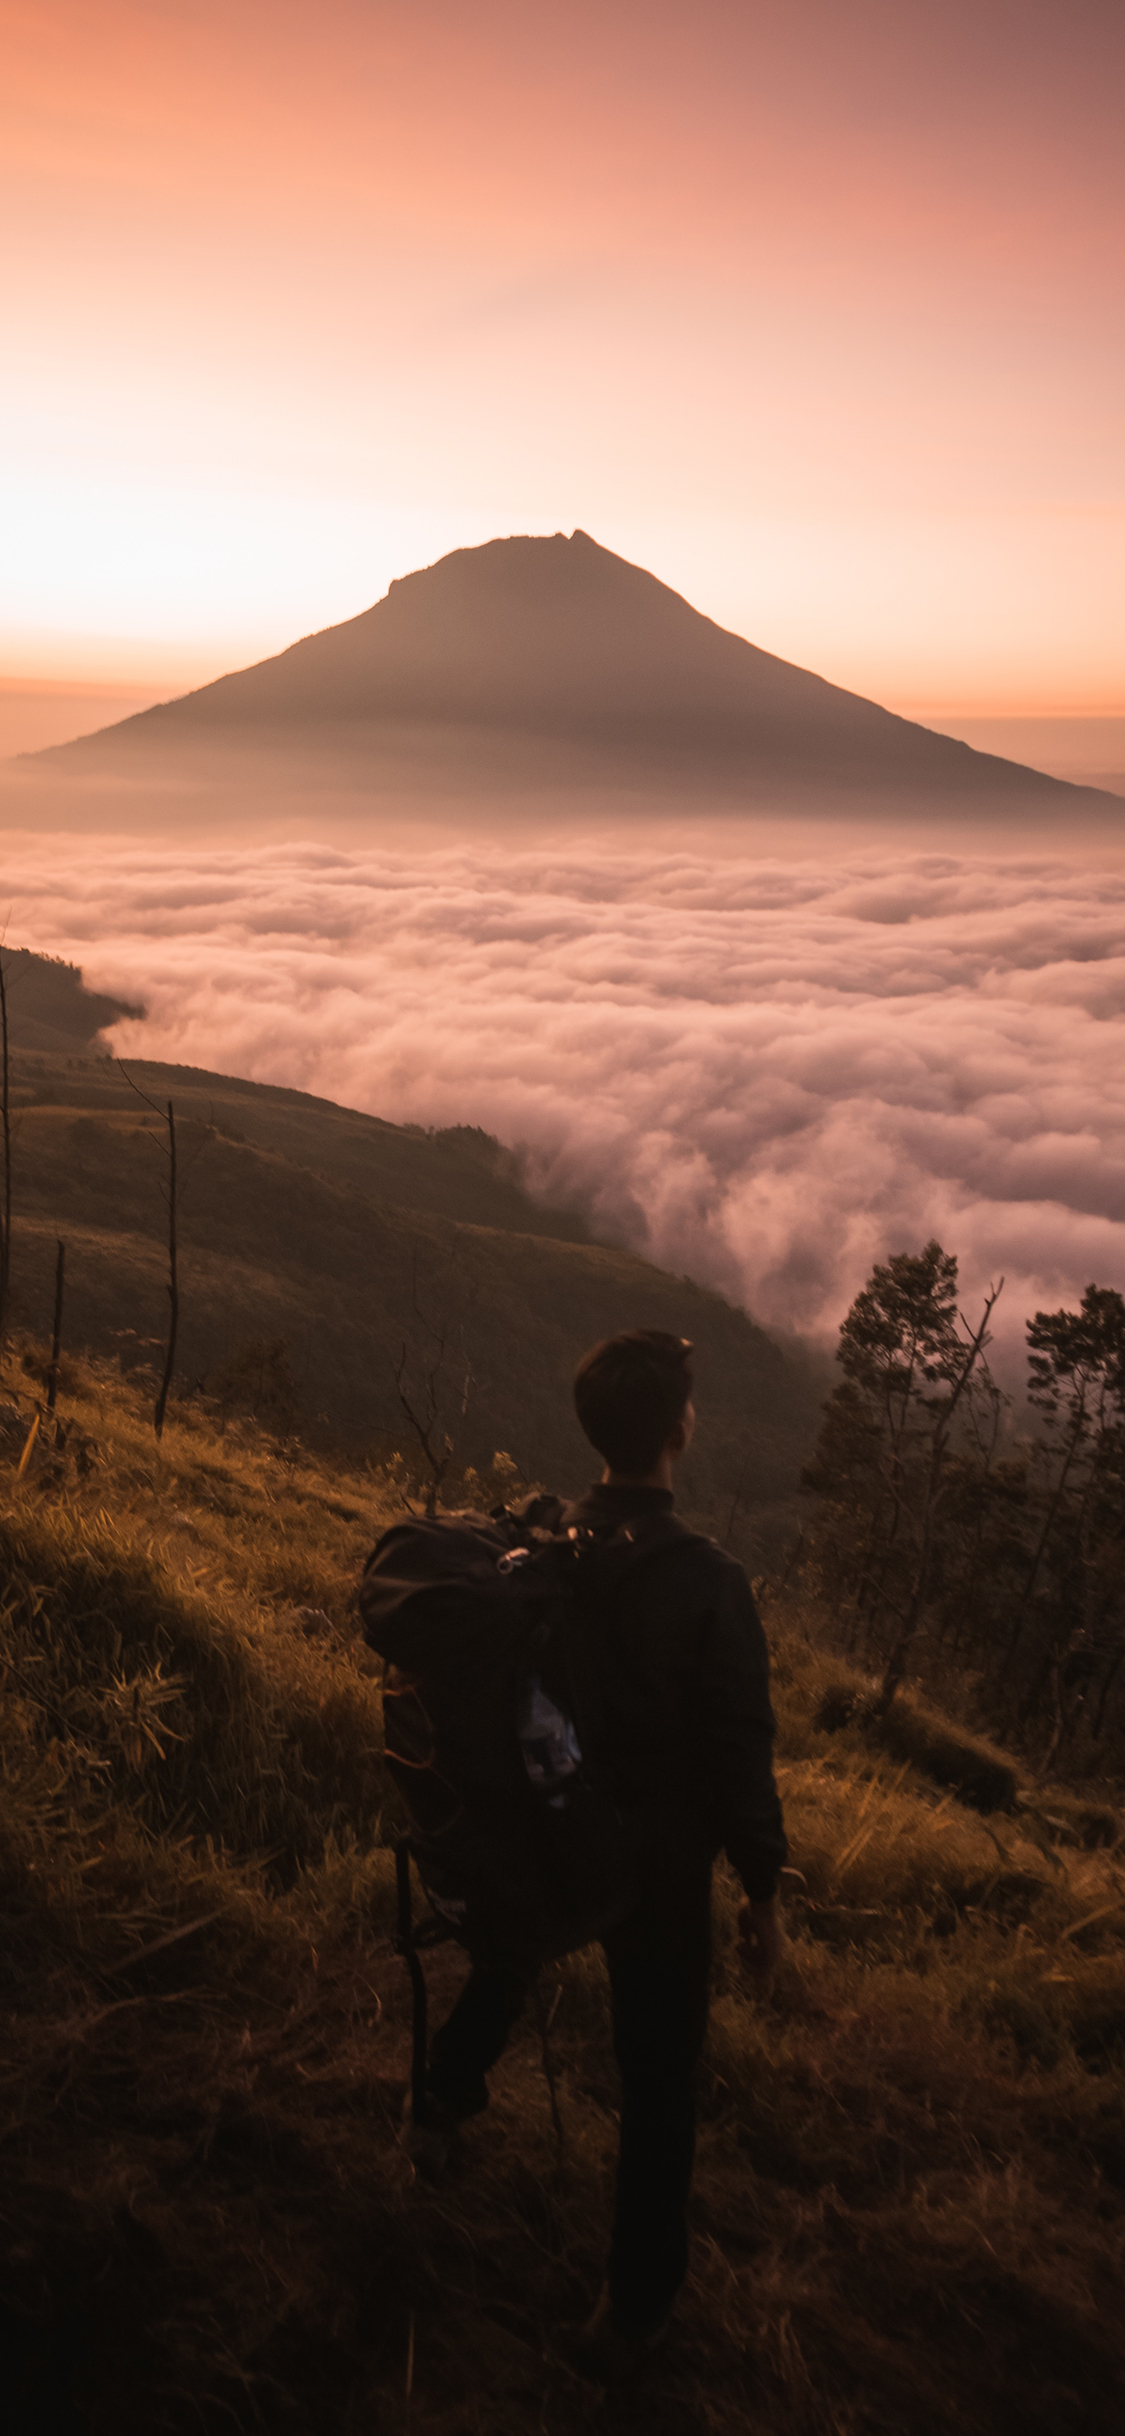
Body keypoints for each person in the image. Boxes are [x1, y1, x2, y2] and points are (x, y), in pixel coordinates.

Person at [414, 1329, 788, 2378]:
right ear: (678, 1432)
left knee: (513, 1951)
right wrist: (762, 1891)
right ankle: (633, 2314)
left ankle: (440, 2104)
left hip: (555, 1829)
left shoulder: (548, 1549)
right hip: (661, 1871)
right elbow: (738, 1745)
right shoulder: (708, 1581)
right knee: (661, 2083)